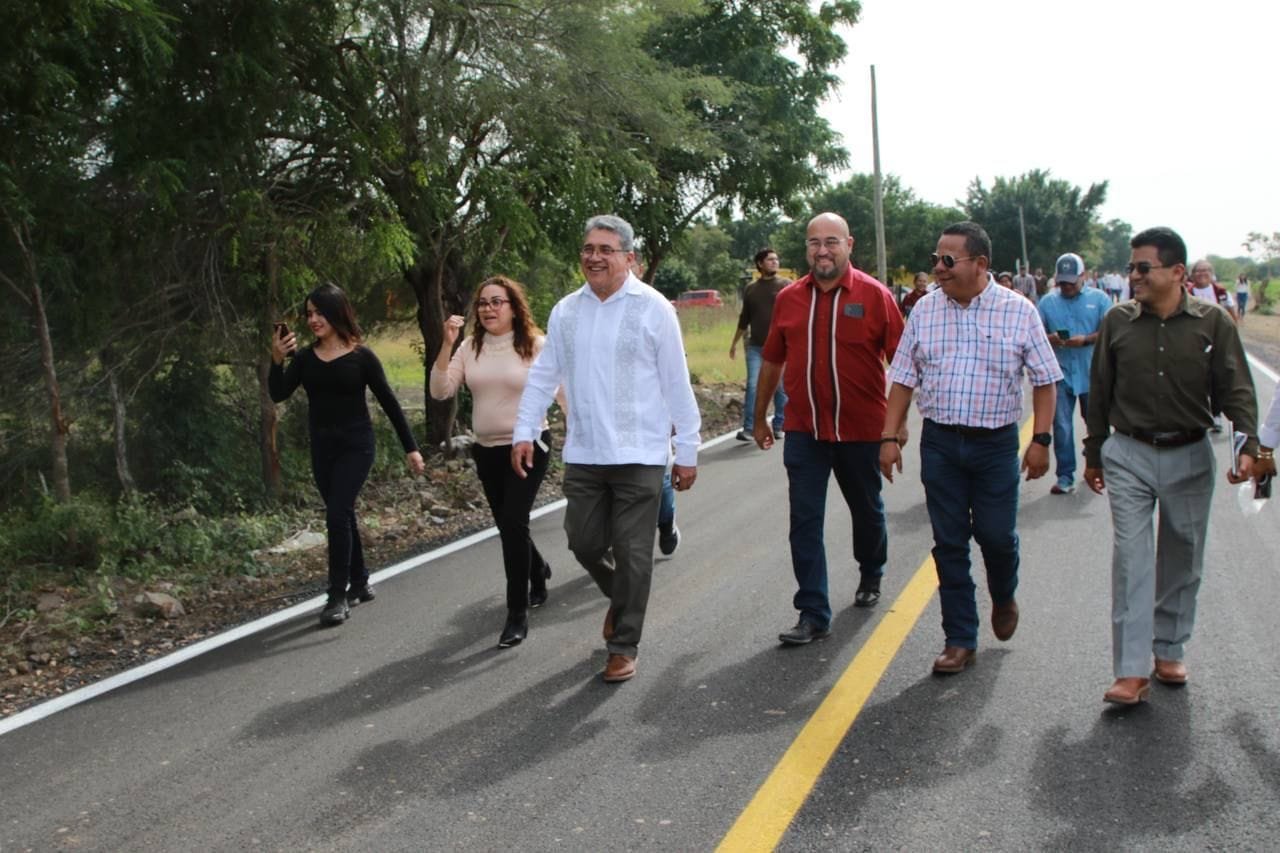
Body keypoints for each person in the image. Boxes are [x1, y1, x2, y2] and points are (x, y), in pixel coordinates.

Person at [512, 214, 701, 684]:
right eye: (588, 249)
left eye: (605, 250)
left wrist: (688, 449)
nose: (594, 257)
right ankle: (624, 597)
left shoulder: (654, 309)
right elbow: (543, 376)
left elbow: (676, 382)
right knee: (583, 541)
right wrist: (524, 430)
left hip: (641, 453)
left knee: (634, 552)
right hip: (585, 451)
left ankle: (623, 645)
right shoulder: (565, 311)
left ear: (629, 258)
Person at [1083, 226, 1258, 706]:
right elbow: (1100, 391)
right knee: (1131, 558)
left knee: (1183, 554)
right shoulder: (1117, 321)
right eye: (1131, 268)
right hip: (1130, 453)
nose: (1133, 276)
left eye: (1144, 267)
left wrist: (1249, 443)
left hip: (1190, 453)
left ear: (1178, 272)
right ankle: (1130, 670)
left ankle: (1169, 649)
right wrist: (1094, 452)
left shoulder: (1213, 322)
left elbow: (1236, 388)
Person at [880, 222, 1061, 674]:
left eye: (948, 260)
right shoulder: (924, 311)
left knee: (997, 536)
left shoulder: (1018, 312)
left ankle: (1003, 595)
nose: (938, 269)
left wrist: (1040, 440)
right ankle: (959, 637)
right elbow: (902, 377)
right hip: (940, 443)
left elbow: (1045, 381)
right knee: (949, 542)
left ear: (980, 263)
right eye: (935, 259)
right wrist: (888, 436)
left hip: (995, 446)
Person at [751, 212, 904, 645]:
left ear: (849, 245)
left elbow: (904, 366)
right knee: (804, 521)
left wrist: (894, 429)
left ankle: (871, 570)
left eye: (831, 242)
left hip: (862, 431)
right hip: (805, 430)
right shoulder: (789, 299)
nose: (822, 250)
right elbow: (773, 360)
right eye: (814, 242)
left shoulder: (875, 296)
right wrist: (760, 417)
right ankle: (813, 612)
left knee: (867, 510)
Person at [269, 283, 425, 627]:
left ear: (336, 312)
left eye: (320, 312)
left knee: (337, 513)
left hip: (357, 445)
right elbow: (278, 393)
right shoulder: (305, 359)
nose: (313, 319)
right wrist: (276, 360)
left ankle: (337, 596)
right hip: (322, 449)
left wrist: (411, 448)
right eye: (309, 314)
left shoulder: (362, 356)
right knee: (343, 514)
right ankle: (361, 581)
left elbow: (389, 402)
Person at [430, 275, 559, 649]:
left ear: (513, 307)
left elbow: (561, 392)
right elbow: (440, 391)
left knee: (514, 521)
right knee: (508, 525)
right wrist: (446, 344)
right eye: (483, 303)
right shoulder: (470, 347)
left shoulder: (536, 345)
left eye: (496, 302)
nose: (488, 309)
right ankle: (537, 568)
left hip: (530, 446)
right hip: (486, 450)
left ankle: (517, 614)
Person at [1037, 252, 1113, 495]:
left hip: (1092, 372)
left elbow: (1110, 332)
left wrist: (1087, 339)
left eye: (1071, 281)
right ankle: (1065, 475)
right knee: (1062, 427)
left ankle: (1098, 465)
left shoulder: (1100, 300)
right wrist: (1051, 338)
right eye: (1062, 282)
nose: (1067, 286)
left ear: (1083, 276)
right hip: (1061, 373)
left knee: (1096, 425)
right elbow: (1035, 333)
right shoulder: (1047, 303)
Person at [730, 247, 790, 441]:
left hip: (780, 347)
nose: (775, 262)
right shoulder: (751, 289)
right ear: (760, 264)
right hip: (756, 347)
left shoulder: (786, 285)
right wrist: (734, 343)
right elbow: (744, 318)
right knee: (753, 386)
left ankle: (780, 424)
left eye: (776, 259)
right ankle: (749, 428)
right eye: (770, 259)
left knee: (780, 387)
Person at [1188, 259, 1239, 324]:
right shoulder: (1186, 293)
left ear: (1211, 273)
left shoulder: (1221, 292)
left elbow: (1232, 316)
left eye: (1205, 270)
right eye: (1198, 271)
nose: (1202, 273)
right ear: (1192, 274)